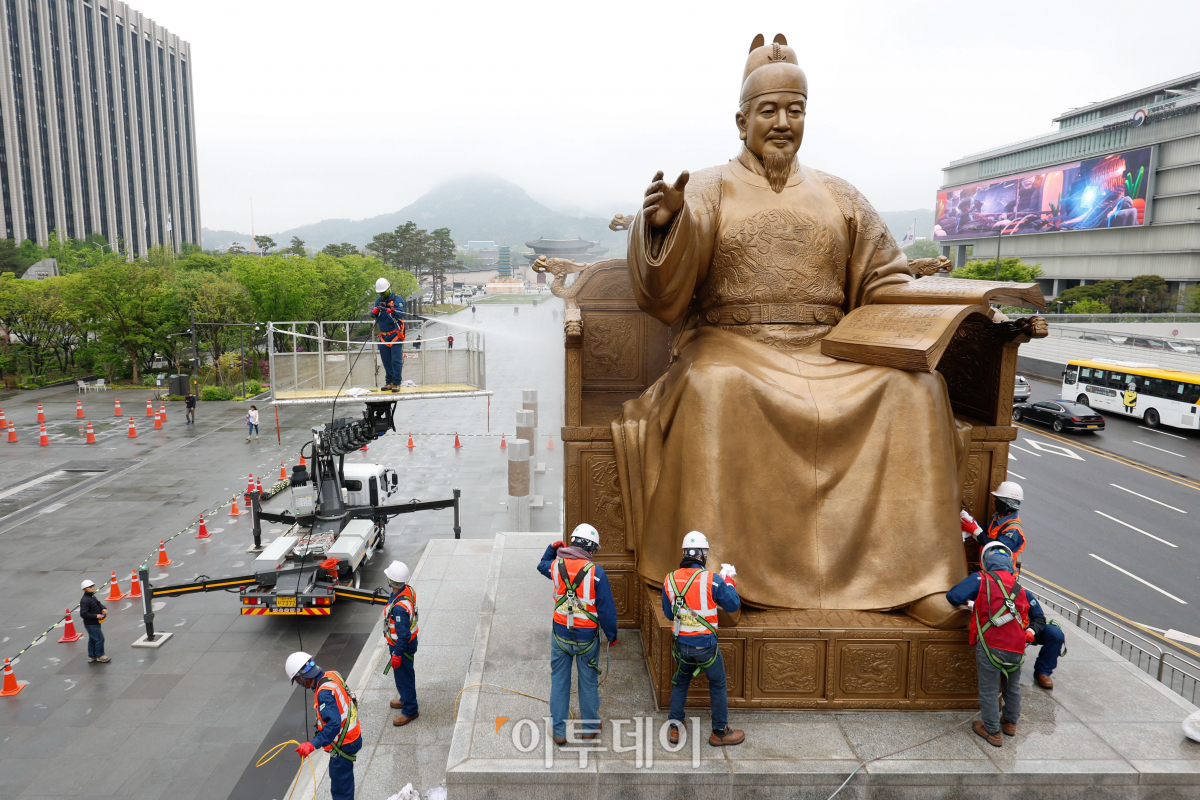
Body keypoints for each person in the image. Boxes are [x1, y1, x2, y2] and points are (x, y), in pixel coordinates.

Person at [612, 34, 1018, 623]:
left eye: (795, 111)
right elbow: (663, 297)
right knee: (715, 387)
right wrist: (664, 229)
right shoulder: (703, 186)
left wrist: (967, 303)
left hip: (828, 349)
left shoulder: (841, 195)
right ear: (742, 119)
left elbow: (885, 282)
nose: (782, 123)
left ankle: (919, 579)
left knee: (916, 389)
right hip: (729, 341)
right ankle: (713, 582)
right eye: (769, 110)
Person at [946, 543, 1047, 747]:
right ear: (1010, 564)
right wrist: (1031, 632)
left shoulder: (980, 579)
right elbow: (1039, 618)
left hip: (991, 645)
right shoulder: (1021, 589)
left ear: (985, 563)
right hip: (1017, 648)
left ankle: (992, 731)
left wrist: (971, 603)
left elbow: (953, 596)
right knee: (1012, 687)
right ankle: (1010, 724)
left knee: (990, 689)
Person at [537, 523, 618, 745]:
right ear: (591, 549)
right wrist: (612, 635)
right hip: (587, 638)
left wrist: (553, 548)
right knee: (588, 682)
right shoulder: (596, 573)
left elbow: (541, 565)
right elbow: (607, 610)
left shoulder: (555, 566)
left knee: (559, 681)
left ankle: (559, 730)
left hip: (560, 635)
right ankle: (590, 727)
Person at [662, 531, 744, 746]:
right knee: (717, 684)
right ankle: (719, 732)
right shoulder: (712, 580)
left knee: (680, 683)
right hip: (706, 646)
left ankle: (675, 728)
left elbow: (669, 615)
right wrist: (728, 584)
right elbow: (733, 605)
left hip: (682, 645)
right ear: (702, 555)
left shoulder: (669, 579)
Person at [287, 651, 362, 800]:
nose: (299, 684)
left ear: (302, 678)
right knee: (344, 783)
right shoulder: (332, 675)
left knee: (341, 789)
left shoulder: (324, 694)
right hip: (352, 736)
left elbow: (334, 724)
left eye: (297, 680)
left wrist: (312, 744)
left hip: (343, 745)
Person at [383, 561, 419, 726]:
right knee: (404, 675)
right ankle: (405, 699)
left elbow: (403, 634)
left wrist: (397, 653)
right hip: (407, 643)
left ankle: (410, 710)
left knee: (404, 677)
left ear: (391, 582)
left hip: (401, 647)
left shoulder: (398, 608)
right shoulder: (408, 590)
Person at [961, 481, 1026, 559]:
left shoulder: (1013, 531)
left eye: (999, 501)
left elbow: (996, 548)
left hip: (1000, 569)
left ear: (1009, 503)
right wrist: (973, 523)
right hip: (989, 566)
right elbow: (989, 533)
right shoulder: (999, 517)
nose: (995, 503)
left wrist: (975, 531)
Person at [371, 277, 406, 391]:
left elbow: (400, 314)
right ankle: (389, 381)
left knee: (396, 360)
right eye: (380, 292)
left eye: (383, 292)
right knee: (386, 360)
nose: (382, 294)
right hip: (383, 336)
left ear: (388, 288)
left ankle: (396, 382)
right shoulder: (379, 300)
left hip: (395, 334)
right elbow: (373, 314)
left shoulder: (397, 299)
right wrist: (373, 313)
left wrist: (393, 311)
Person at [79, 579, 109, 663]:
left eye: (93, 586)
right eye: (90, 587)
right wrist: (96, 616)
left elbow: (98, 603)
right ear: (84, 589)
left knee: (92, 639)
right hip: (91, 624)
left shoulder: (91, 596)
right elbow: (83, 614)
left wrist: (103, 608)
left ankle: (92, 656)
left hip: (94, 623)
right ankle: (100, 656)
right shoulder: (85, 600)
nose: (92, 588)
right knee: (100, 638)